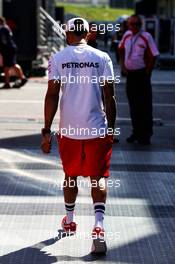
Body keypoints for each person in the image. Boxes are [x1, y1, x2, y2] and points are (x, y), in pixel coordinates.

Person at [41, 17, 116, 254]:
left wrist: (46, 129)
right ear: (87, 33)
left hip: (70, 130)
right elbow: (110, 96)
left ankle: (70, 219)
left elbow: (52, 95)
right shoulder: (102, 57)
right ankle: (99, 226)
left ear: (68, 33)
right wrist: (111, 129)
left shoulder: (58, 58)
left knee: (70, 175)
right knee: (99, 177)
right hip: (96, 128)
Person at [118, 14, 159, 145]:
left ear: (141, 25)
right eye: (132, 24)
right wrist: (123, 65)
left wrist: (147, 73)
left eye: (137, 24)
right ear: (128, 25)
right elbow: (120, 49)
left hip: (142, 75)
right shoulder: (127, 35)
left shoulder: (146, 36)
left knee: (145, 106)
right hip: (130, 75)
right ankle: (135, 132)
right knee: (133, 105)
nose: (134, 26)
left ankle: (145, 135)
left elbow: (154, 55)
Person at [0, 16, 27, 88]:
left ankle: (22, 78)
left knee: (13, 64)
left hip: (8, 49)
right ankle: (7, 83)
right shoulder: (6, 28)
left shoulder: (2, 29)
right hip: (9, 48)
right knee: (6, 66)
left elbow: (3, 40)